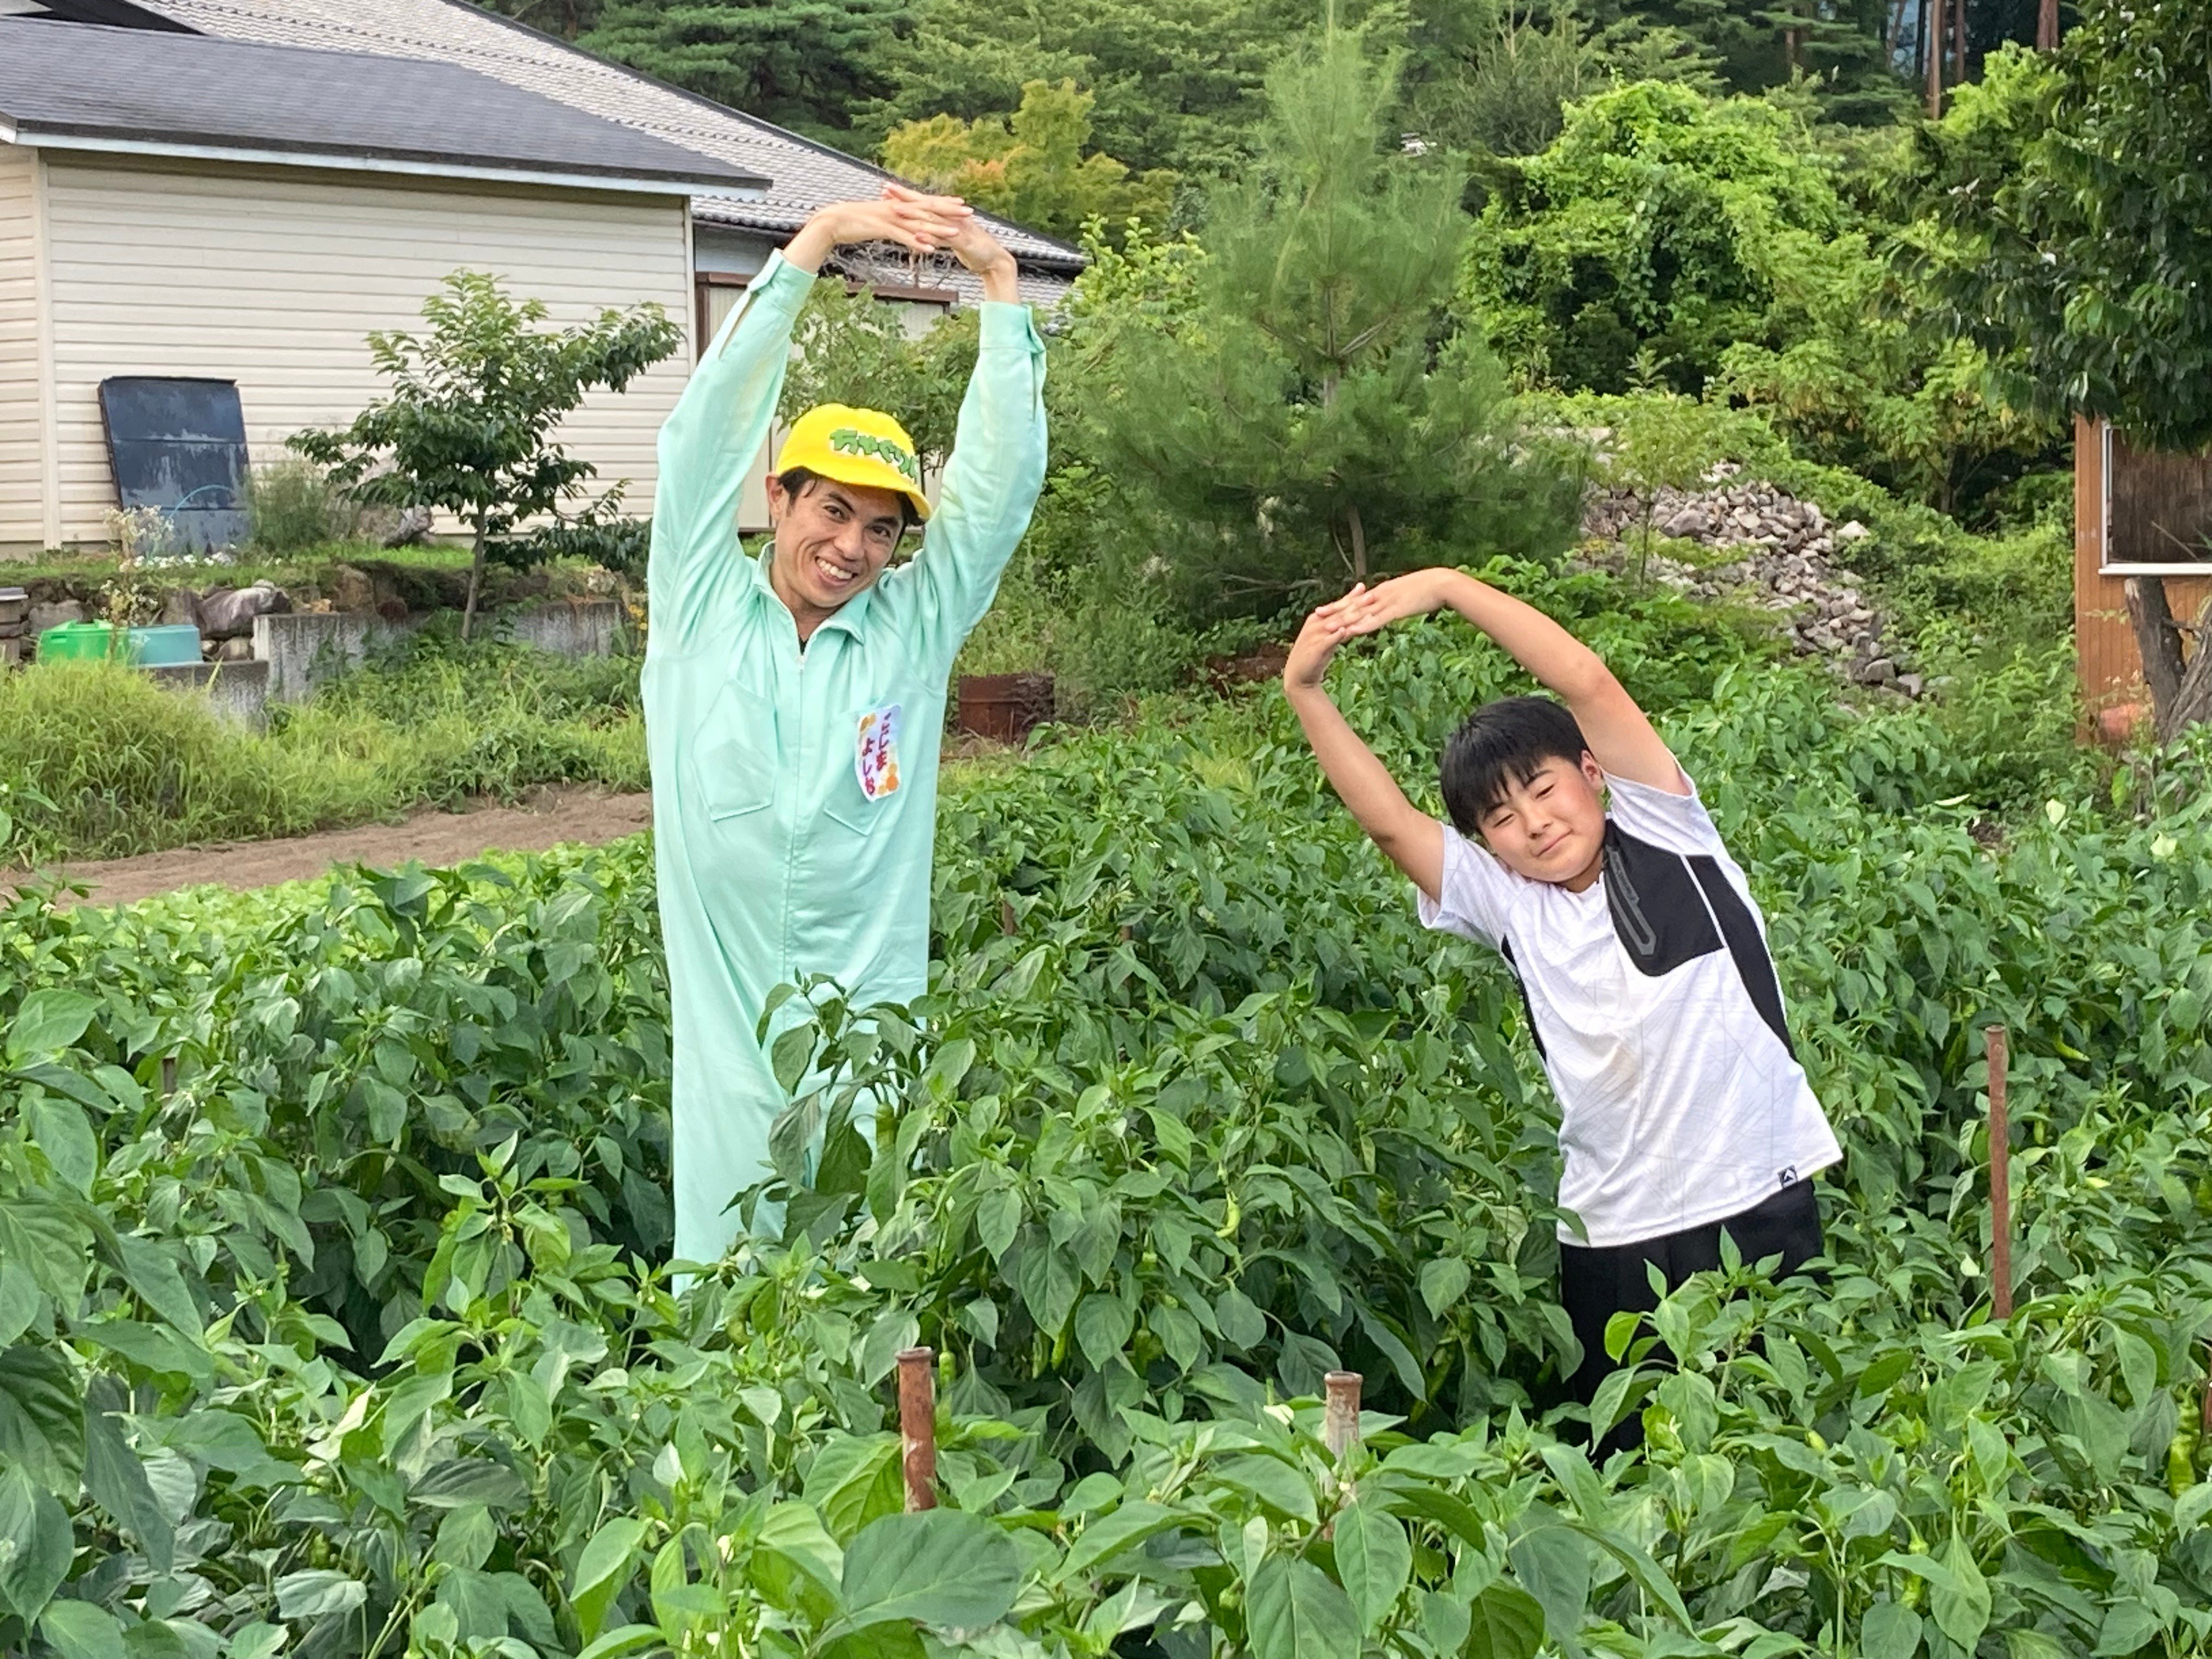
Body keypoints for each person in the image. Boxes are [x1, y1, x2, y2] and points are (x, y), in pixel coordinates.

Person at [1281, 567, 1839, 1444]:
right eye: (1500, 818)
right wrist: (1305, 689)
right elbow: (1389, 822)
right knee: (1628, 1471)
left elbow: (1584, 680)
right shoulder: (1511, 903)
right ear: (1483, 844)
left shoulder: (1670, 832)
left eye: (1544, 789)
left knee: (1782, 1452)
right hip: (1612, 1230)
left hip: (1753, 1198)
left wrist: (1447, 586)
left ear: (1592, 772)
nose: (1534, 824)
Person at [645, 188, 1047, 1267]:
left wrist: (1002, 297)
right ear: (779, 500)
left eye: (880, 528)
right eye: (832, 511)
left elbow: (996, 501)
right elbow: (700, 437)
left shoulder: (910, 630)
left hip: (864, 1024)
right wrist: (812, 247)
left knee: (863, 1276)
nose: (852, 547)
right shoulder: (697, 603)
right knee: (725, 1276)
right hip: (731, 1025)